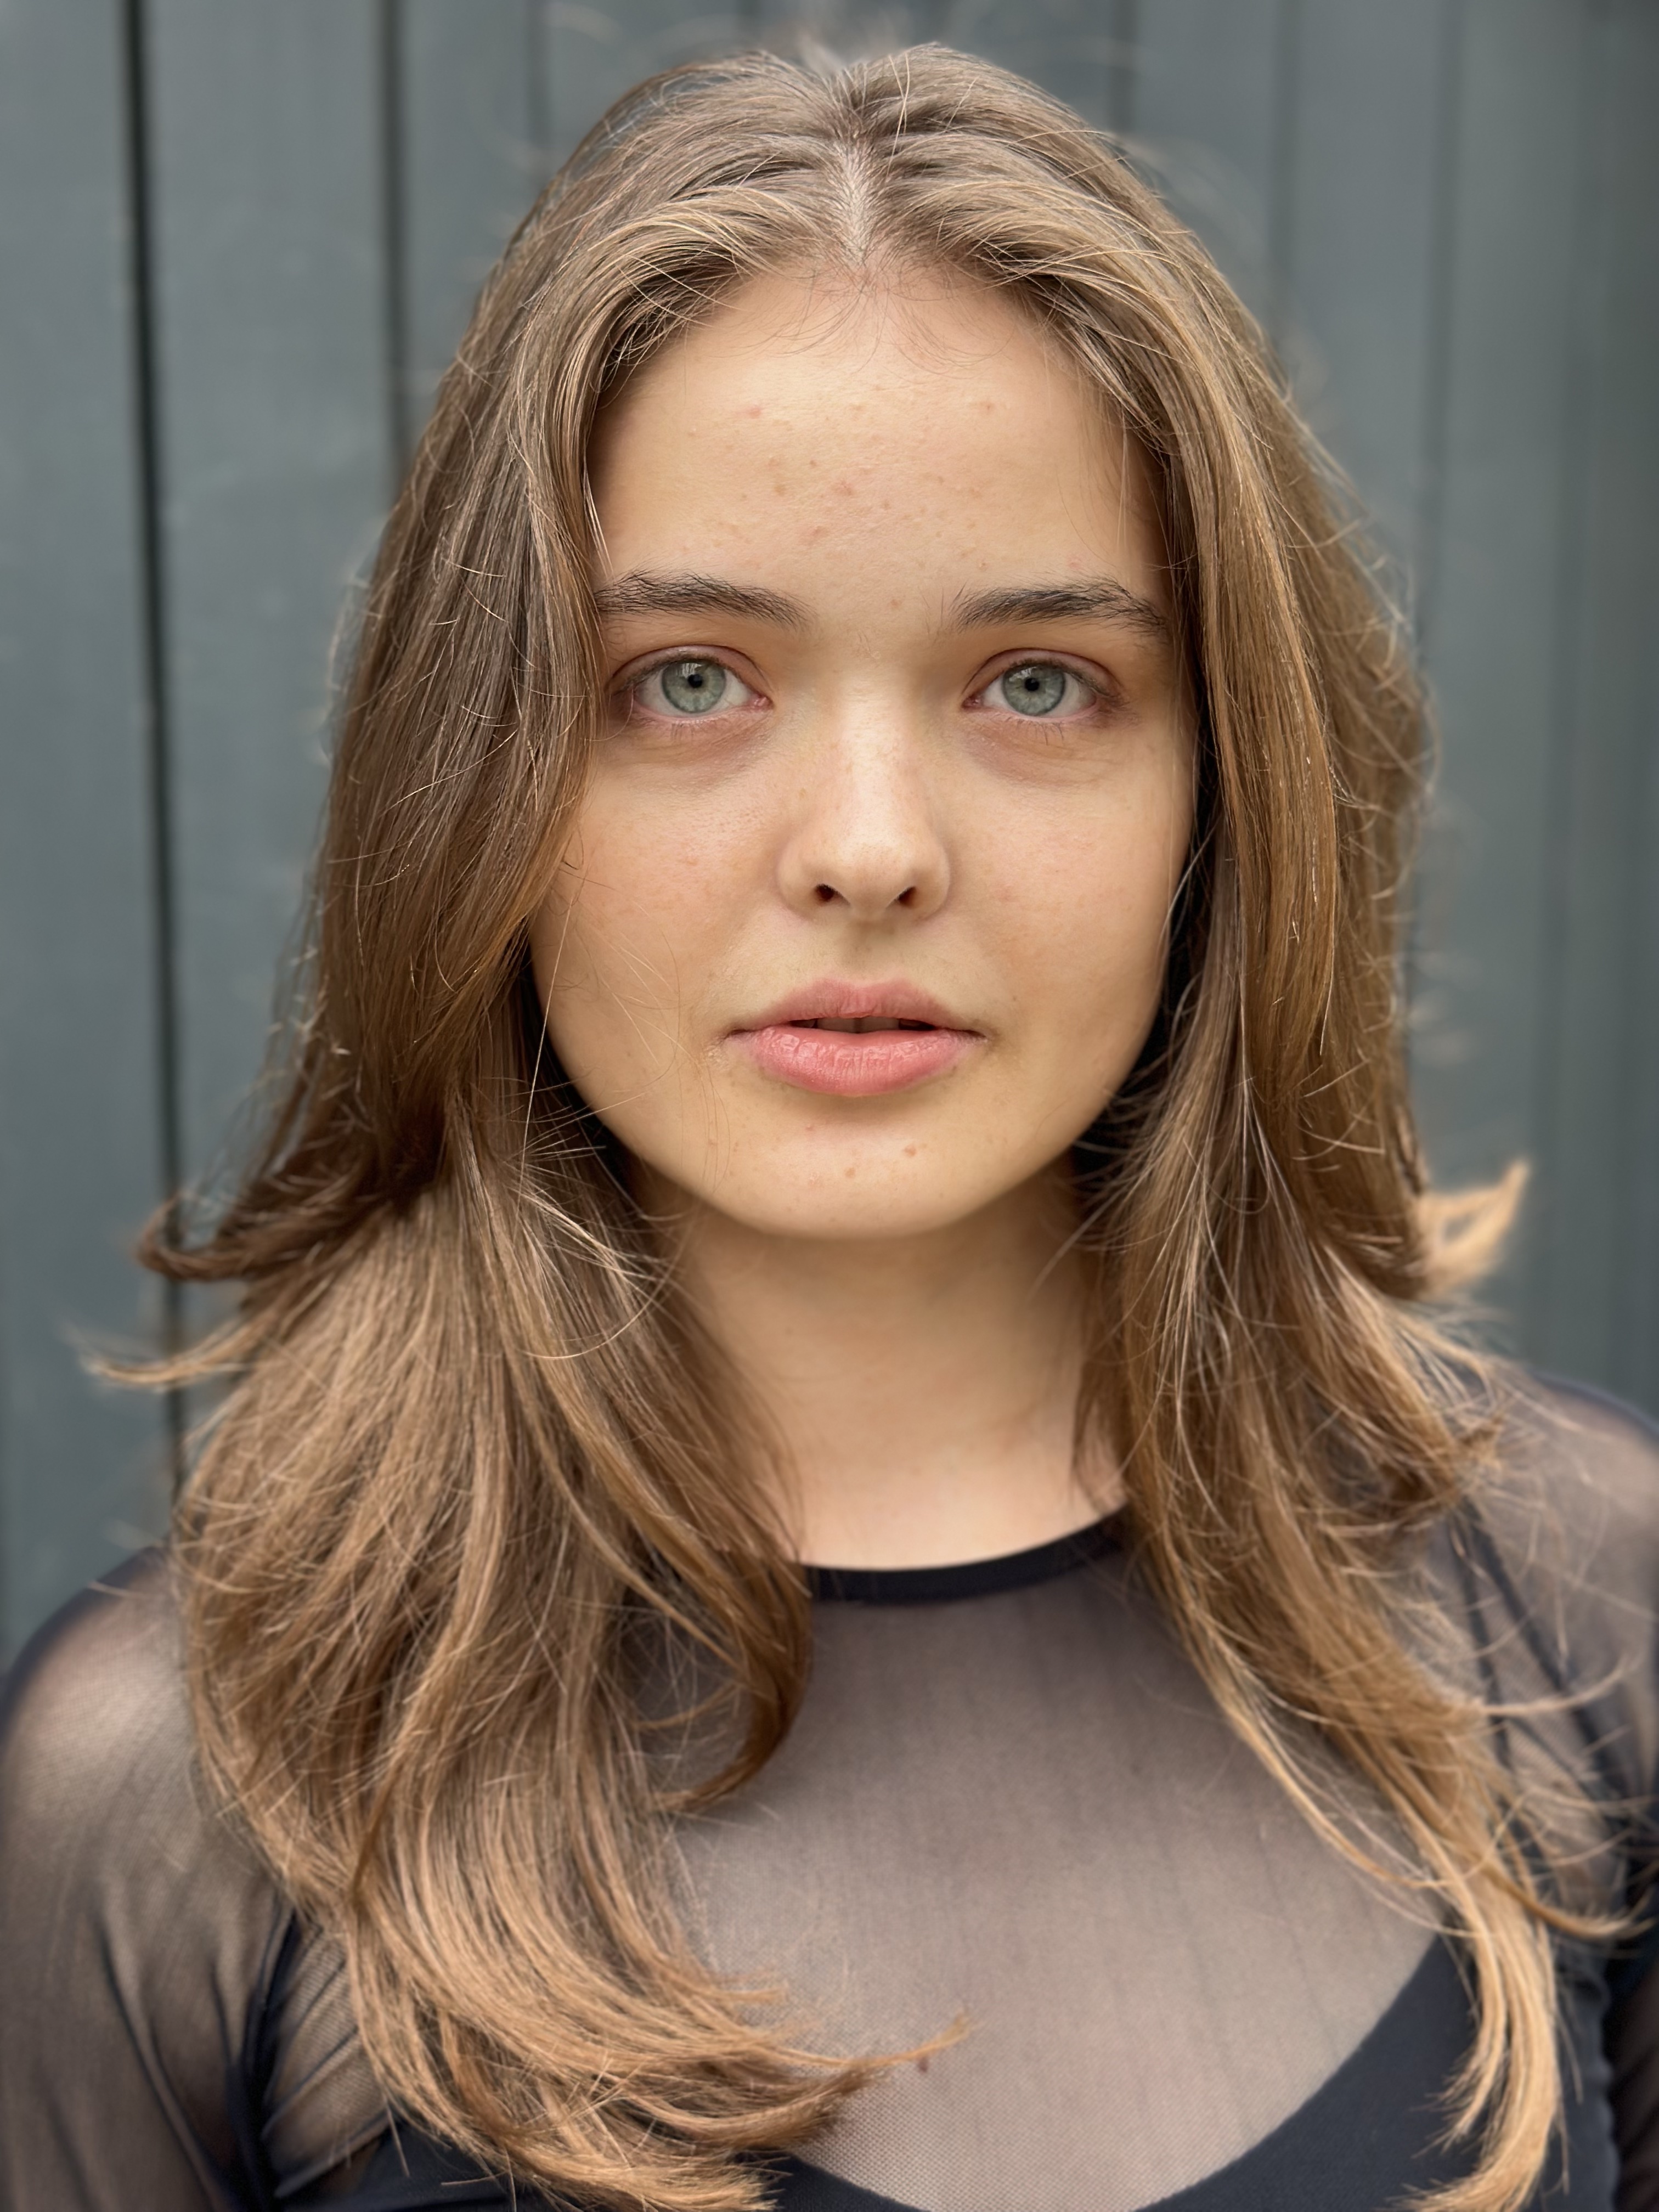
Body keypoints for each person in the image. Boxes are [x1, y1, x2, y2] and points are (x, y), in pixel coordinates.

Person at [2, 42, 1657, 2212]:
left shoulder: (1583, 1621)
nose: (870, 850)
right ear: (481, 781)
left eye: (1038, 683)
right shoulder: (183, 1797)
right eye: (688, 680)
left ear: (1223, 795)